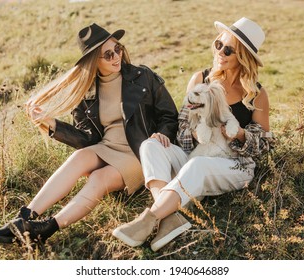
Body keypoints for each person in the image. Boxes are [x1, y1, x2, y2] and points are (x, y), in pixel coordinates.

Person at [0, 23, 178, 244]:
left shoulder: (143, 76)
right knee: (79, 157)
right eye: (108, 54)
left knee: (99, 177)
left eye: (118, 49)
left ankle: (47, 228)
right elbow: (88, 139)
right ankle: (24, 219)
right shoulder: (87, 92)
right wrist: (53, 125)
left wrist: (162, 133)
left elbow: (169, 115)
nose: (116, 56)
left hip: (140, 152)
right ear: (94, 60)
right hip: (107, 147)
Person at [112, 17, 274, 252]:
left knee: (198, 165)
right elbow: (183, 126)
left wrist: (239, 134)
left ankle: (148, 220)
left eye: (229, 50)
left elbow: (265, 145)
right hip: (198, 154)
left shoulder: (256, 94)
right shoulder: (200, 79)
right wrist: (194, 134)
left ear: (243, 58)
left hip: (234, 166)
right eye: (219, 44)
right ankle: (170, 218)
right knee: (150, 146)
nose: (220, 52)